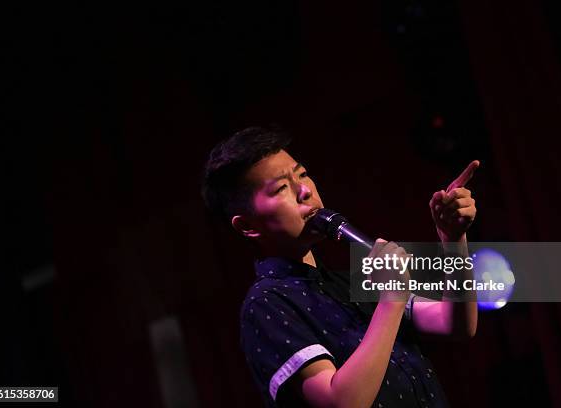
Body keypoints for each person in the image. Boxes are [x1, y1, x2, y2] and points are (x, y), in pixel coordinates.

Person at [201, 127, 479, 407]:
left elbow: (456, 323)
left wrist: (453, 240)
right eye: (282, 188)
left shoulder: (346, 283)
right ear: (247, 225)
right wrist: (391, 299)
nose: (305, 191)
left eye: (302, 174)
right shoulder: (266, 304)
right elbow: (342, 403)